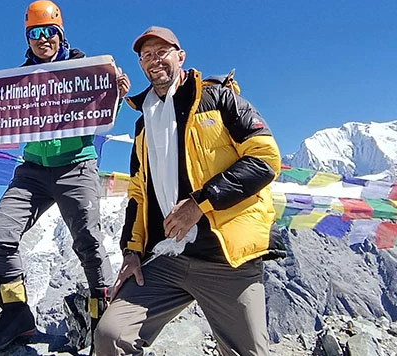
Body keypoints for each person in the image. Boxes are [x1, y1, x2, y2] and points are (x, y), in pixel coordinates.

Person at [0, 0, 130, 353]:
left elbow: (106, 103)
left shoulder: (85, 71)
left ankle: (102, 319)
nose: (43, 38)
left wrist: (116, 90)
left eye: (50, 31)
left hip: (76, 165)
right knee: (0, 236)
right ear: (28, 37)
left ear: (61, 35)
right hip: (33, 169)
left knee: (89, 243)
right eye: (35, 33)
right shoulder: (16, 82)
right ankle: (17, 314)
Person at [92, 26, 285, 356]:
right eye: (147, 55)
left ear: (180, 56)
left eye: (162, 52)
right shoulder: (142, 125)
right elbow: (139, 193)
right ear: (140, 64)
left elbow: (265, 159)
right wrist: (132, 251)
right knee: (111, 335)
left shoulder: (218, 99)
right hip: (169, 258)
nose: (155, 61)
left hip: (226, 259)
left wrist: (200, 203)